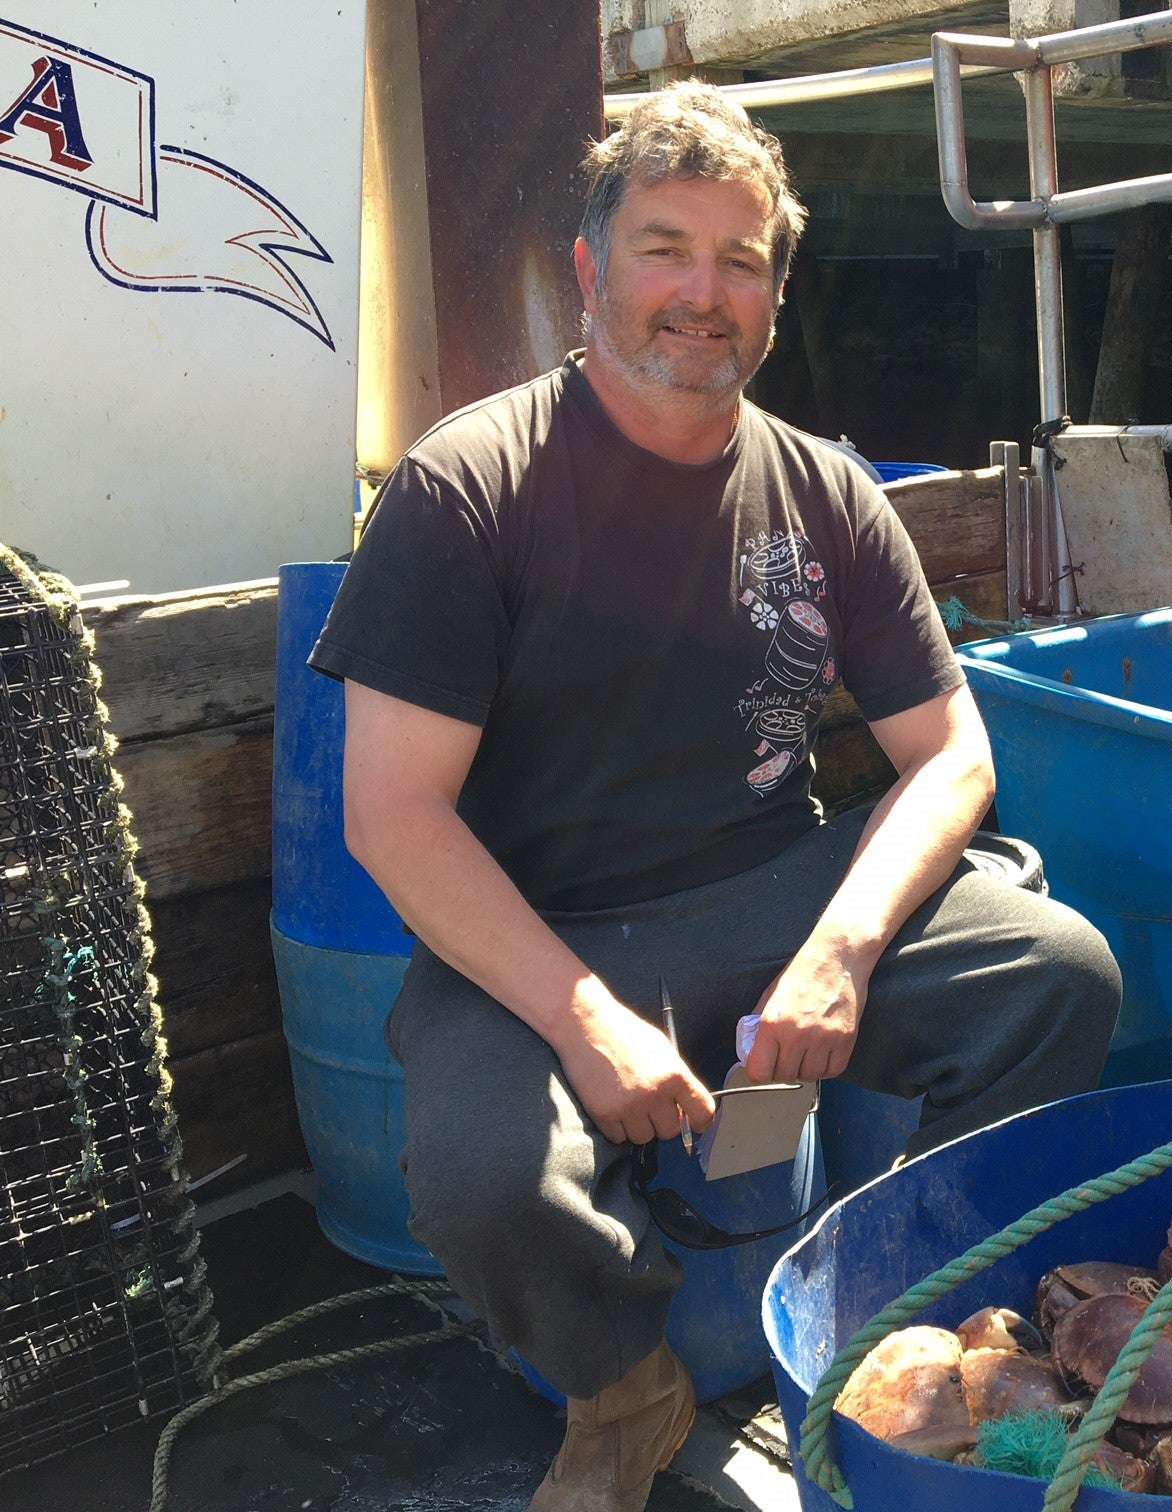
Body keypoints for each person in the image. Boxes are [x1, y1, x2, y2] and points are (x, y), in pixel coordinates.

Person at [310, 82, 1122, 1512]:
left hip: (772, 886)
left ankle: (910, 1332)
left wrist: (843, 950)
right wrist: (582, 1020)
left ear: (775, 291)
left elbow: (954, 755)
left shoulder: (826, 492)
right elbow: (392, 816)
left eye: (739, 260)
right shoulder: (467, 489)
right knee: (479, 1174)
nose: (702, 293)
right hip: (541, 928)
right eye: (665, 248)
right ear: (591, 270)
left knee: (1057, 976)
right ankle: (623, 1393)